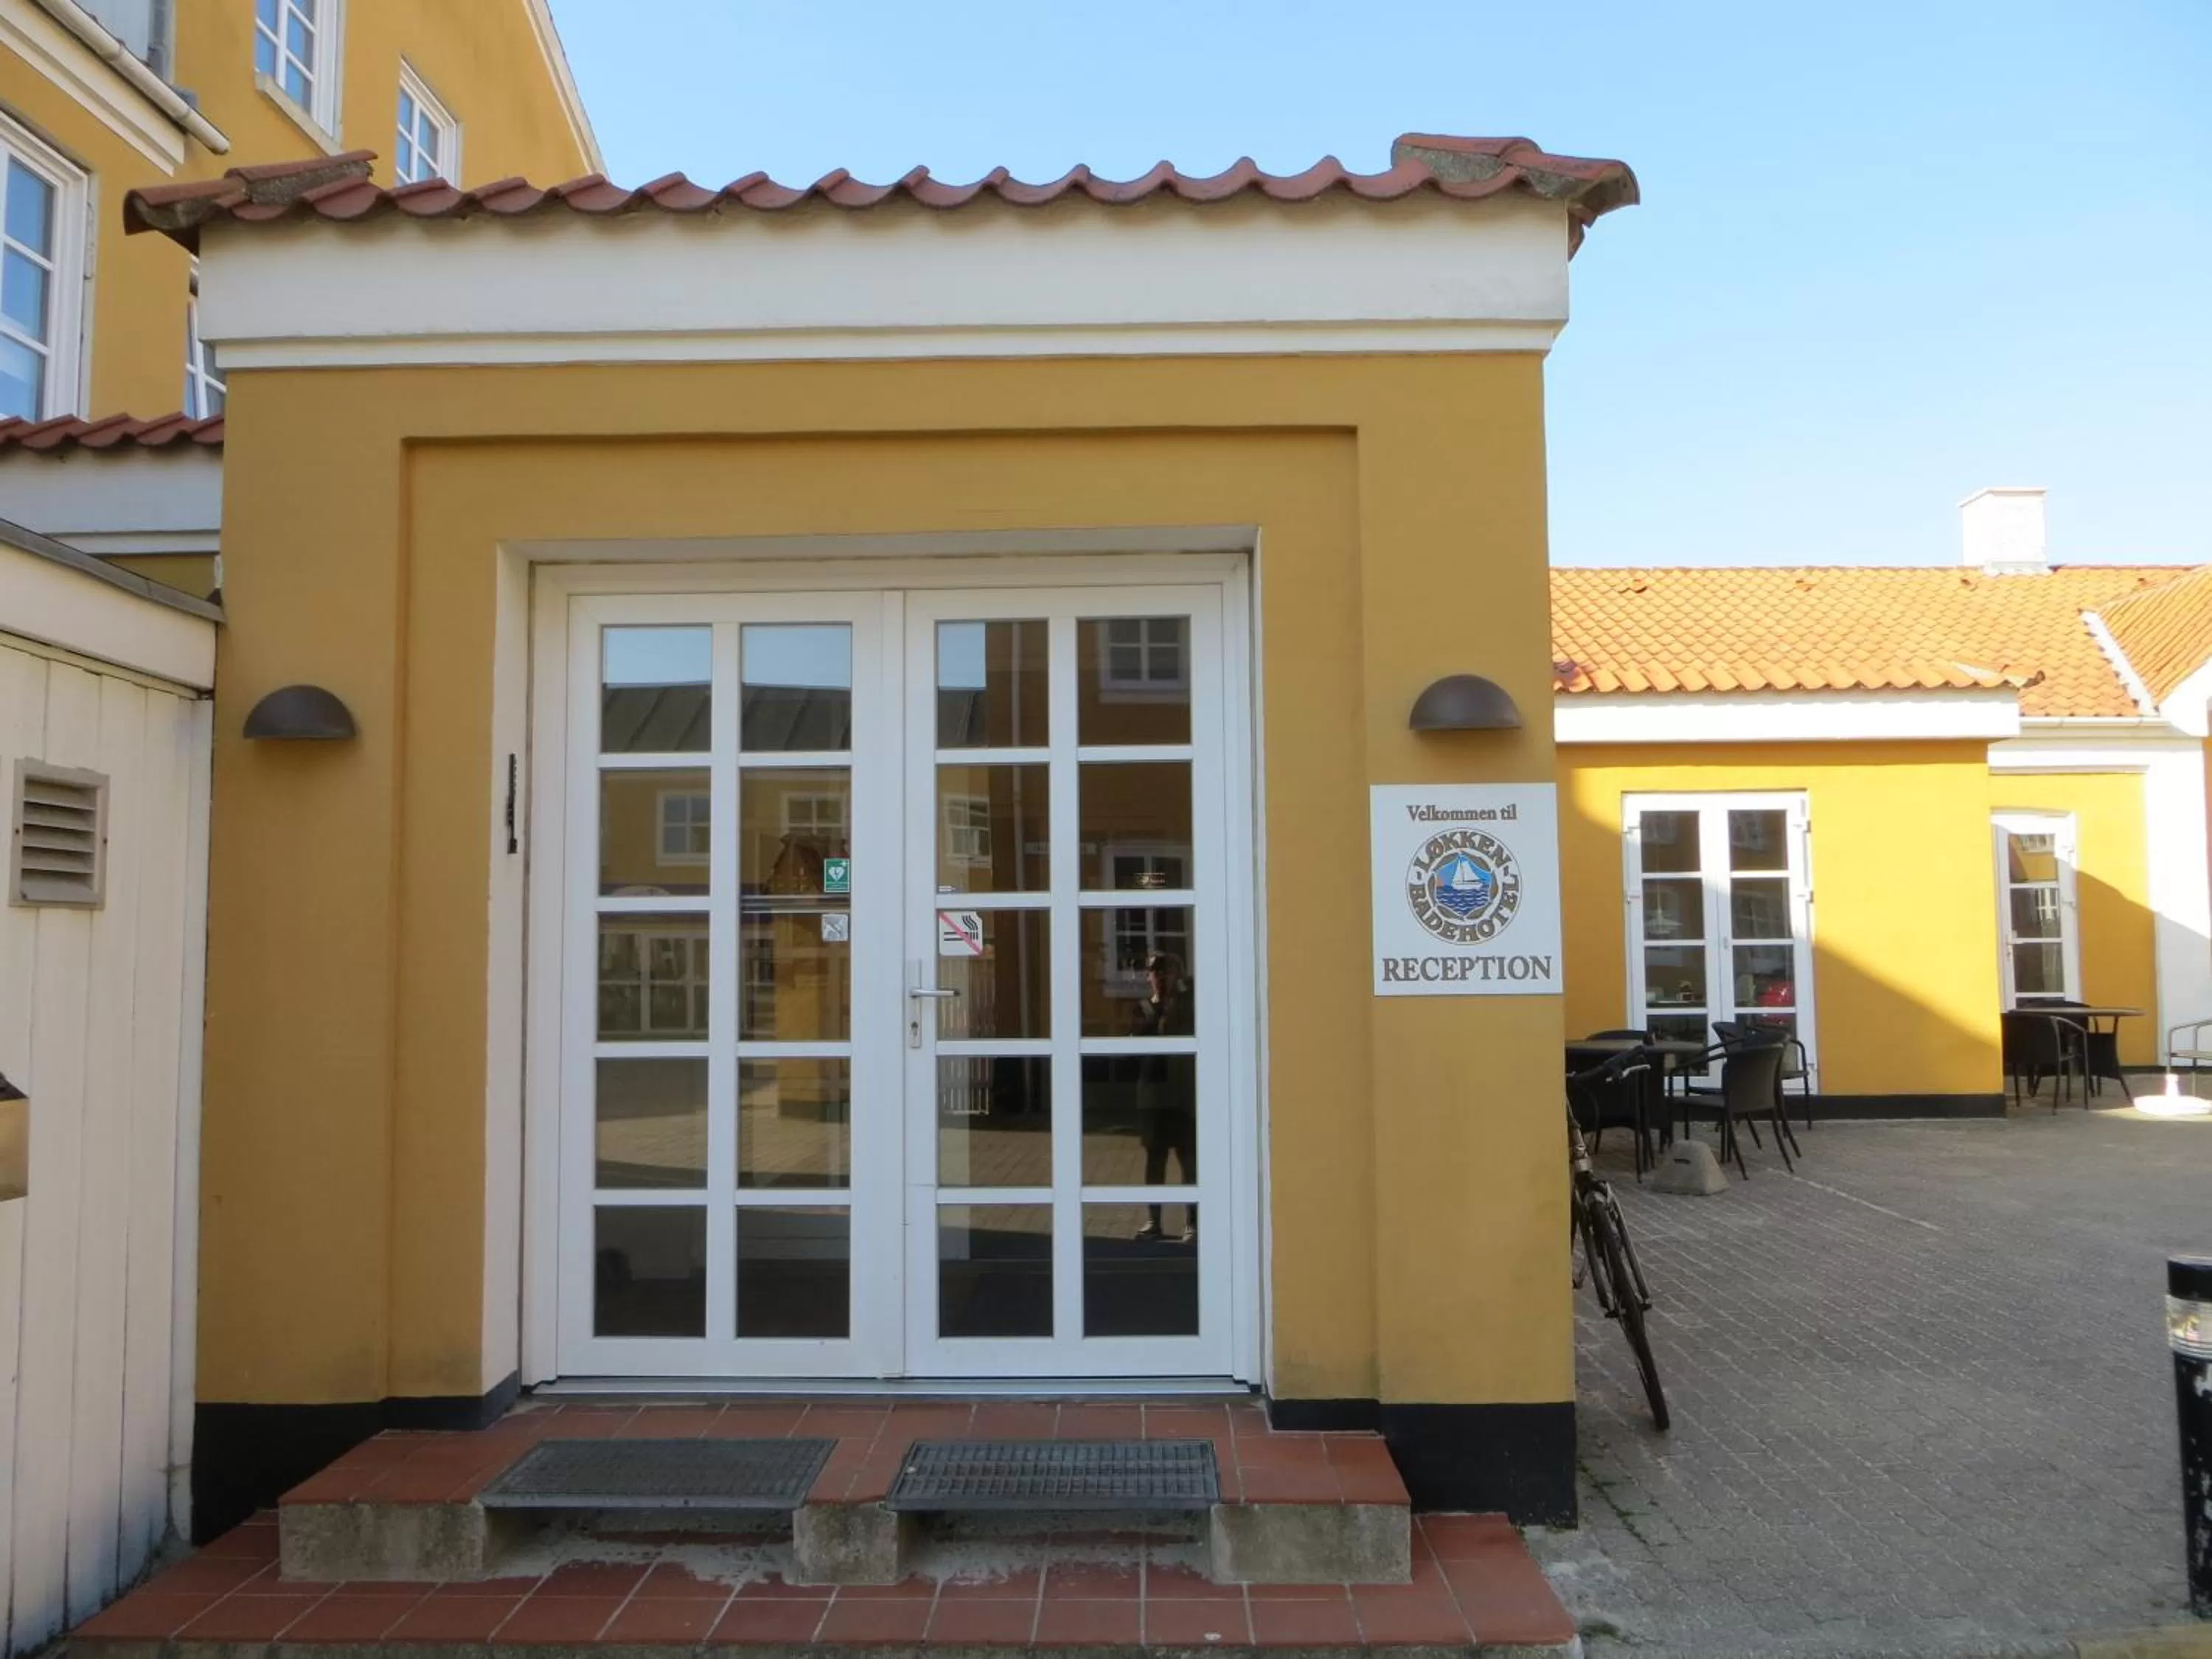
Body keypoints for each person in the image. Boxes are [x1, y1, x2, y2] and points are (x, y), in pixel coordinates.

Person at [1131, 952, 1196, 1242]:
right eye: (1155, 973)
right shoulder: (1143, 1008)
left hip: (1183, 1092)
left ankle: (1193, 1223)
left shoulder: (1188, 1006)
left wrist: (1179, 1000)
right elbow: (1135, 1045)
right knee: (1155, 1160)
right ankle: (1153, 1220)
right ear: (1148, 978)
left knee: (1189, 1159)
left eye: (1167, 972)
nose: (1160, 978)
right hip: (1153, 1094)